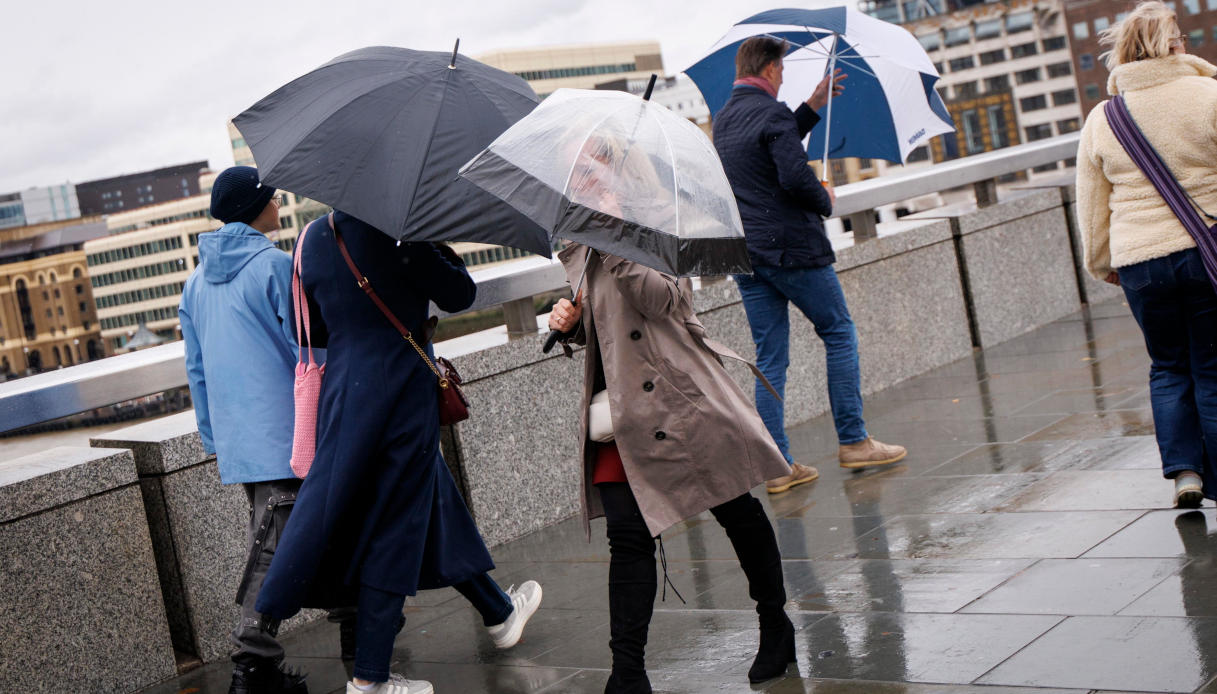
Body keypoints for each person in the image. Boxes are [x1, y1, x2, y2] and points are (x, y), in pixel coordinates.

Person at [254, 210, 541, 694]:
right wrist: (432, 241)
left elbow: (315, 328)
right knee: (397, 525)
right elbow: (459, 294)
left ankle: (499, 611)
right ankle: (369, 680)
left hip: (346, 394)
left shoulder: (311, 240)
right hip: (401, 396)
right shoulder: (399, 230)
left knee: (429, 499)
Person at [549, 240, 797, 693]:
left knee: (735, 508)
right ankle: (627, 674)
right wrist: (570, 323)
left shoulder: (651, 225)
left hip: (677, 398)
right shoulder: (580, 243)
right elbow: (608, 319)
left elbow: (664, 299)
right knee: (627, 535)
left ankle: (775, 623)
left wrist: (612, 242)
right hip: (625, 411)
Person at [181, 166, 355, 694]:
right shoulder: (278, 267)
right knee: (276, 551)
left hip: (243, 440)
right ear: (257, 208)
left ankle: (364, 634)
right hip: (291, 434)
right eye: (274, 200)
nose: (279, 207)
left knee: (311, 538)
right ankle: (252, 667)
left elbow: (197, 370)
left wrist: (216, 439)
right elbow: (309, 349)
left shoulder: (194, 284)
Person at [712, 37, 906, 493]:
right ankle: (855, 441)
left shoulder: (725, 120)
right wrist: (824, 199)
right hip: (793, 251)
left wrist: (811, 107)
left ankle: (778, 464)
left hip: (750, 255)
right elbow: (792, 174)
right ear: (771, 69)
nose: (783, 78)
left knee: (770, 358)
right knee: (838, 332)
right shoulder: (772, 113)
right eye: (782, 69)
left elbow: (766, 147)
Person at [1077, 1, 1217, 508]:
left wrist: (1102, 262)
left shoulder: (1103, 117)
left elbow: (1092, 204)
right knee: (1211, 366)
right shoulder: (1208, 95)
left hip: (1139, 260)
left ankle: (1185, 474)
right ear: (1174, 43)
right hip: (1205, 251)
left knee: (1167, 366)